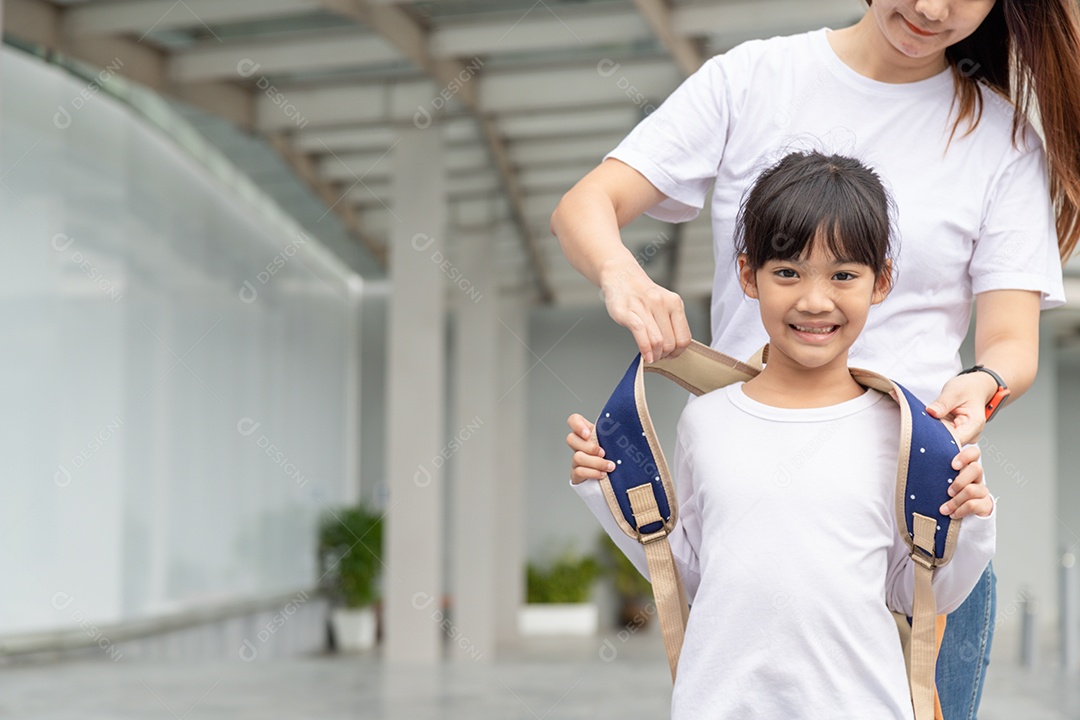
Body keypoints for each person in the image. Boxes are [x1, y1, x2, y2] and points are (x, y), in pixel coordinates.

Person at [552, 1, 1078, 714]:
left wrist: (981, 384)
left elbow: (1010, 344)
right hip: (754, 502)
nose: (931, 8)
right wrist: (626, 278)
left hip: (918, 516)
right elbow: (587, 204)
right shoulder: (751, 80)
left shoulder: (1001, 137)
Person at [570, 150, 996, 719]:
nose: (815, 300)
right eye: (788, 272)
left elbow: (917, 592)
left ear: (881, 281)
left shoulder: (907, 433)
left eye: (844, 275)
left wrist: (973, 523)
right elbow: (694, 574)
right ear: (748, 274)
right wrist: (610, 493)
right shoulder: (707, 420)